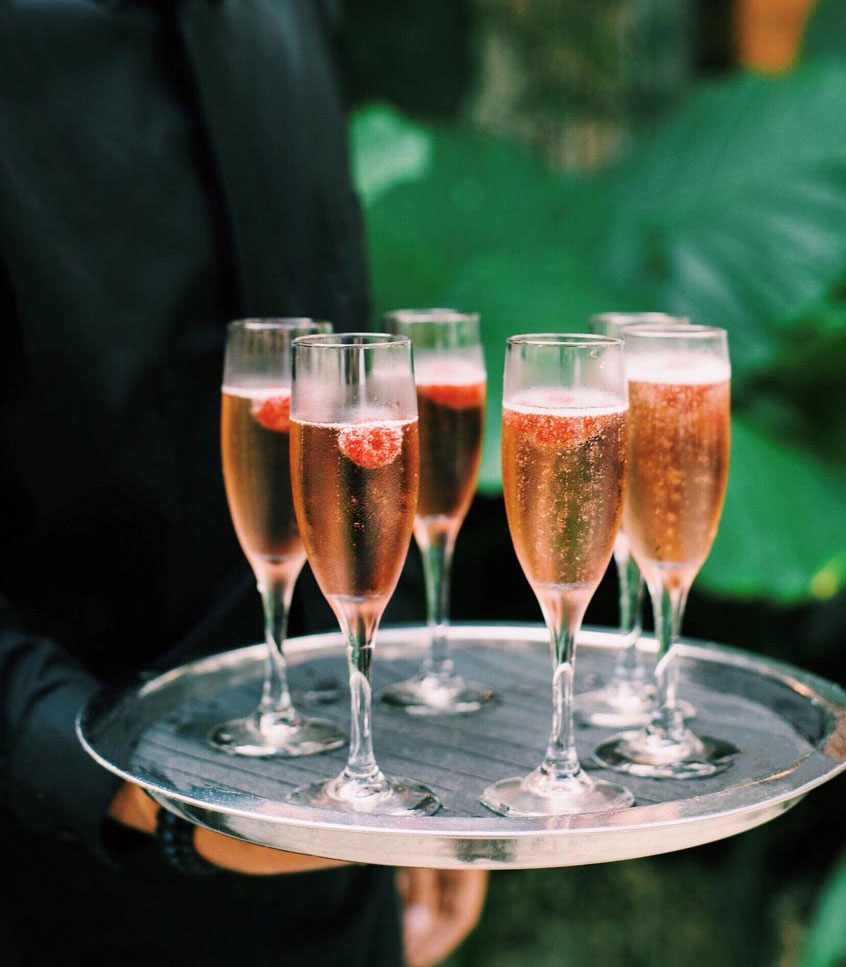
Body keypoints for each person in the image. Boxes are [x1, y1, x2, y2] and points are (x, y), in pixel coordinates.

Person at [0, 0, 486, 964]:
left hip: (329, 879)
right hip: (55, 869)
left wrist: (403, 754)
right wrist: (136, 793)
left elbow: (328, 324)